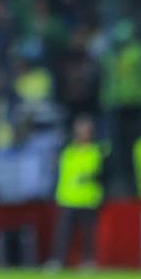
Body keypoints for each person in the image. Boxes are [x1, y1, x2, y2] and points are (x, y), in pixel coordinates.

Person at [46, 115, 105, 271]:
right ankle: (58, 261)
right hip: (68, 198)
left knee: (88, 236)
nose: (83, 133)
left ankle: (88, 262)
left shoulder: (94, 151)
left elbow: (94, 172)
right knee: (63, 235)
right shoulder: (68, 152)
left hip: (87, 199)